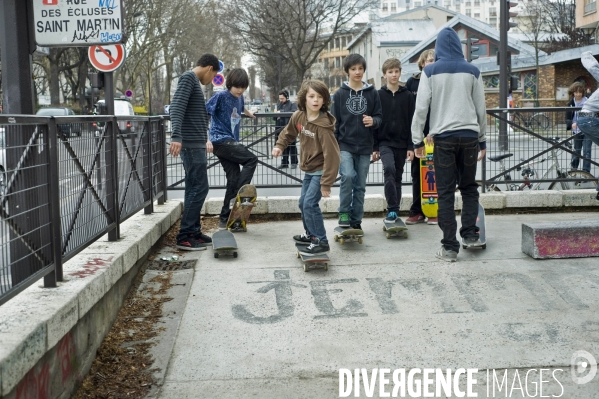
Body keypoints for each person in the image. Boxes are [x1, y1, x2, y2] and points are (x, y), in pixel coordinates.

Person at [411, 27, 487, 262]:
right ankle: (470, 235)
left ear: (439, 47)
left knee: (444, 192)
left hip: (442, 139)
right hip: (469, 137)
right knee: (469, 187)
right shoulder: (473, 70)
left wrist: (417, 141)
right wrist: (482, 139)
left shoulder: (430, 71)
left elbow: (421, 109)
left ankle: (450, 247)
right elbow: (480, 108)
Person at [272, 80, 341, 254]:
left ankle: (321, 240)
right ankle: (311, 235)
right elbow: (288, 132)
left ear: (324, 100)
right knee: (303, 203)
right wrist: (280, 145)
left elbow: (332, 156)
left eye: (320, 97)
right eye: (312, 96)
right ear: (304, 99)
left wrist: (326, 184)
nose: (316, 100)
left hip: (321, 171)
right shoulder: (299, 117)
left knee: (310, 204)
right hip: (309, 170)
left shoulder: (324, 127)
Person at [169, 54, 220, 250]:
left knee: (193, 188)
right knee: (200, 187)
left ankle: (193, 232)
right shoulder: (189, 78)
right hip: (190, 145)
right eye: (213, 75)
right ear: (209, 69)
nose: (211, 80)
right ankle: (184, 235)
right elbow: (176, 107)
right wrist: (176, 136)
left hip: (195, 143)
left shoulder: (193, 82)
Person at [332, 53, 382, 229]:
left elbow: (379, 117)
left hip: (365, 146)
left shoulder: (372, 93)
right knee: (347, 176)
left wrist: (373, 121)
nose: (357, 72)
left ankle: (356, 219)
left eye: (360, 68)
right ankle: (344, 212)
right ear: (347, 71)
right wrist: (334, 146)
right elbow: (334, 122)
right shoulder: (339, 94)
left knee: (360, 185)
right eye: (353, 69)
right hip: (345, 144)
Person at [206, 68, 258, 229]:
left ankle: (224, 218)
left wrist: (250, 113)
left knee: (233, 178)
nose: (240, 90)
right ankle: (240, 196)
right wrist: (205, 138)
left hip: (229, 142)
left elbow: (241, 109)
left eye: (243, 87)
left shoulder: (240, 97)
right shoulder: (221, 96)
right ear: (230, 84)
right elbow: (204, 112)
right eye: (237, 87)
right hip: (220, 140)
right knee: (251, 159)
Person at [372, 58, 415, 222]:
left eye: (396, 71)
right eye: (390, 72)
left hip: (402, 143)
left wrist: (411, 146)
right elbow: (374, 123)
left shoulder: (408, 96)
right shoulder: (378, 95)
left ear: (400, 72)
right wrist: (375, 147)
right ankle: (392, 208)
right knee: (389, 169)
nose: (394, 74)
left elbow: (412, 122)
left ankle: (395, 211)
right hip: (384, 142)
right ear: (384, 74)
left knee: (397, 176)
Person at [405, 49, 436, 225]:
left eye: (434, 60)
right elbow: (410, 112)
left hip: (435, 136)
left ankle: (434, 210)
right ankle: (417, 211)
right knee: (417, 175)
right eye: (428, 61)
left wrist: (435, 131)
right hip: (418, 138)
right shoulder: (412, 82)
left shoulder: (439, 81)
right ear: (422, 63)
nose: (431, 63)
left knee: (435, 175)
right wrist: (412, 140)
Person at [573, 52, 599, 201]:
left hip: (586, 117)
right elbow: (594, 68)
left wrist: (585, 54)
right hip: (589, 118)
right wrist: (586, 54)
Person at [566, 81, 591, 173]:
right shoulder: (571, 103)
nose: (578, 94)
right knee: (576, 151)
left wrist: (580, 120)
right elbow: (568, 118)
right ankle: (574, 169)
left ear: (582, 92)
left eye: (580, 92)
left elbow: (594, 114)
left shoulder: (588, 101)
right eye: (576, 92)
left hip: (587, 130)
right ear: (573, 93)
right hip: (576, 131)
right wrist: (570, 124)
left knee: (587, 152)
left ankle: (586, 172)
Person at [274, 90, 299, 168]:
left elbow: (294, 113)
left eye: (282, 98)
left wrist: (280, 112)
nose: (281, 100)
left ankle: (294, 162)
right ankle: (284, 162)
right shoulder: (279, 104)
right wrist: (276, 114)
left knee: (292, 145)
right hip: (280, 128)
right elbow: (274, 117)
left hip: (290, 128)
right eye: (280, 99)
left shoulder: (292, 104)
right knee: (283, 146)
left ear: (287, 97)